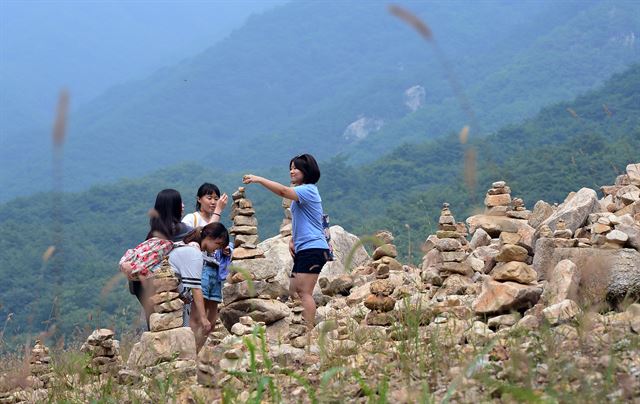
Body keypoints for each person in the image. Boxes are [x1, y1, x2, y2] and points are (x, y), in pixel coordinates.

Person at [242, 153, 330, 329]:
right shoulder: (303, 192)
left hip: (313, 248)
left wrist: (259, 179)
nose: (292, 171)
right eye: (290, 168)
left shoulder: (308, 189)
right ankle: (301, 326)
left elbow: (283, 191)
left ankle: (308, 330)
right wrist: (293, 239)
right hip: (305, 248)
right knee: (294, 291)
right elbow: (306, 220)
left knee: (304, 292)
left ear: (307, 171)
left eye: (296, 168)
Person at [129, 189, 192, 328]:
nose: (183, 206)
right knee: (166, 323)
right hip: (153, 282)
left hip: (140, 283)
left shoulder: (155, 229)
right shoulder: (178, 229)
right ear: (173, 206)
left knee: (153, 320)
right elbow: (200, 234)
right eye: (179, 203)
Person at [170, 222, 229, 349]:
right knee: (196, 321)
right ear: (208, 237)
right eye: (217, 244)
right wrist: (203, 318)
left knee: (208, 322)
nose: (217, 249)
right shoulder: (194, 251)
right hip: (161, 282)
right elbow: (196, 287)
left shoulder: (196, 249)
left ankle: (192, 353)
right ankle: (189, 353)